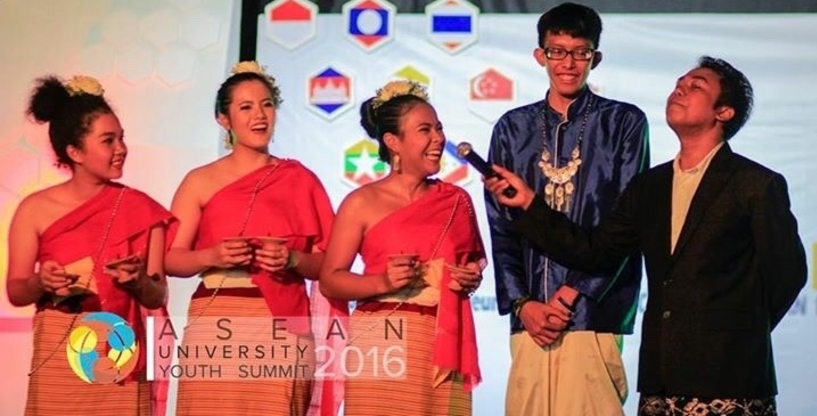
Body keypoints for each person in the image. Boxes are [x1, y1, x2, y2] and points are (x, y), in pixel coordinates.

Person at [486, 56, 807, 416]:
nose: (680, 90)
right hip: (662, 380)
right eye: (679, 83)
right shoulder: (649, 186)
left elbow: (788, 275)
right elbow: (592, 250)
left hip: (732, 381)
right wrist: (530, 204)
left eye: (696, 86)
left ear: (724, 111)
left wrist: (741, 334)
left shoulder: (755, 184)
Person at [486, 2, 649, 415]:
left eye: (580, 52)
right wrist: (522, 303)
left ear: (596, 57)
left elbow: (627, 225)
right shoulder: (512, 128)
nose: (569, 63)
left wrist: (573, 293)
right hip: (531, 321)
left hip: (593, 314)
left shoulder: (624, 123)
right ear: (540, 55)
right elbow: (502, 227)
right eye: (557, 51)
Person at [165, 61, 344, 416]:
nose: (259, 116)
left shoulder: (300, 179)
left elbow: (330, 264)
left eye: (267, 105)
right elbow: (171, 258)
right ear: (224, 119)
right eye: (246, 107)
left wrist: (293, 259)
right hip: (217, 318)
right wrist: (211, 256)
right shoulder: (199, 180)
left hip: (284, 322)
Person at [5, 74, 175, 415]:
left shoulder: (142, 209)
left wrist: (139, 281)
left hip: (119, 349)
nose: (121, 149)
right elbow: (16, 290)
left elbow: (158, 295)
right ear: (74, 151)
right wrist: (41, 282)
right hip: (58, 351)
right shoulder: (34, 209)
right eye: (108, 141)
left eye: (122, 138)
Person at [319, 80, 485, 416]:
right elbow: (330, 280)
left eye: (439, 128)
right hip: (381, 341)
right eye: (425, 130)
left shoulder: (456, 200)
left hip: (443, 341)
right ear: (393, 142)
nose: (438, 138)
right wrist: (383, 282)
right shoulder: (361, 202)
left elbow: (472, 266)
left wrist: (470, 278)